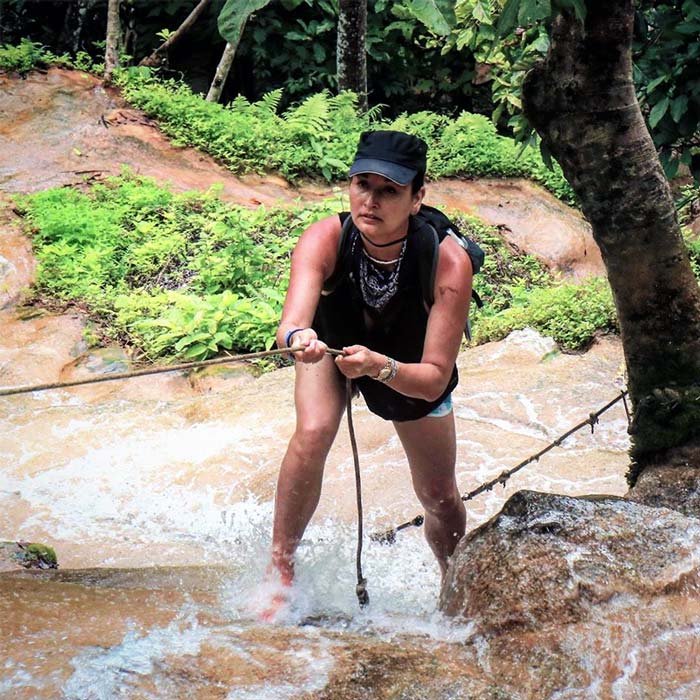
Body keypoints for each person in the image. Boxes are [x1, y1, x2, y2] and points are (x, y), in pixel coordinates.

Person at [266, 130, 473, 612]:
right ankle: (279, 571)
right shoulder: (325, 237)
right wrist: (300, 341)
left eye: (389, 191)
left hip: (407, 364)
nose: (371, 201)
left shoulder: (447, 261)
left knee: (439, 494)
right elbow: (291, 326)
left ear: (417, 197)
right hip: (329, 346)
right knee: (314, 431)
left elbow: (436, 378)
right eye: (362, 184)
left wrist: (381, 368)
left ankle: (455, 582)